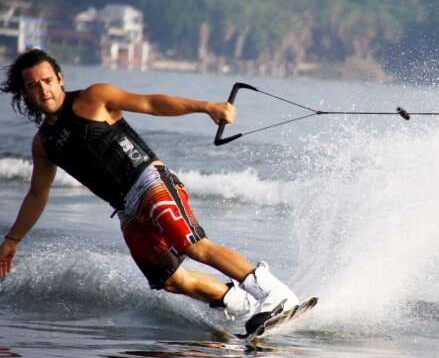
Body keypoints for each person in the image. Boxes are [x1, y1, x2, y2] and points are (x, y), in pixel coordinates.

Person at [0, 49, 299, 331]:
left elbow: (152, 103)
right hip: (126, 211)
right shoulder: (44, 144)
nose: (43, 90)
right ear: (25, 93)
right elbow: (38, 195)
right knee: (170, 280)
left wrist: (206, 107)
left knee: (193, 245)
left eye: (48, 81)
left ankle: (275, 293)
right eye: (34, 85)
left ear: (60, 78)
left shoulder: (94, 98)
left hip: (148, 181)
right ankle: (244, 306)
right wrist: (13, 239)